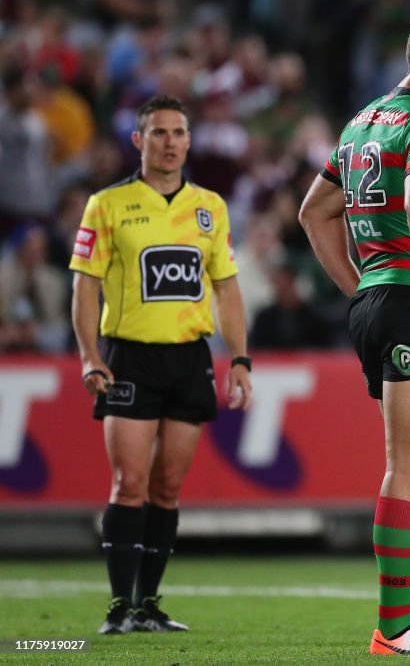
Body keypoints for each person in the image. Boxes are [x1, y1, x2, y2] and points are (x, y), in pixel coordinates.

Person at [298, 8, 410, 656]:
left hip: (382, 301)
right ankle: (395, 626)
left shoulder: (361, 123)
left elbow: (314, 212)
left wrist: (360, 287)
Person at [69, 94, 252, 635]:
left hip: (189, 357)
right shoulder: (106, 205)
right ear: (138, 140)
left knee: (168, 487)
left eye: (178, 133)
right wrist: (89, 356)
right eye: (159, 133)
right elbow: (84, 287)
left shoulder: (210, 208)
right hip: (129, 357)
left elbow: (227, 289)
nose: (169, 142)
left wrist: (239, 358)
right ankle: (117, 607)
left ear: (190, 141)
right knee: (129, 482)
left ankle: (148, 603)